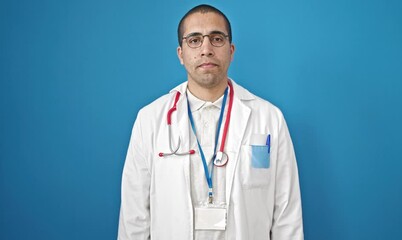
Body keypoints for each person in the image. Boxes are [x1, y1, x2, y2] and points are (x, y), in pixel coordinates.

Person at [118, 4, 304, 240]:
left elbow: (287, 213)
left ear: (231, 50)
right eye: (194, 40)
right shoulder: (149, 120)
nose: (206, 49)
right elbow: (134, 217)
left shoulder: (269, 118)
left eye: (216, 39)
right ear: (181, 54)